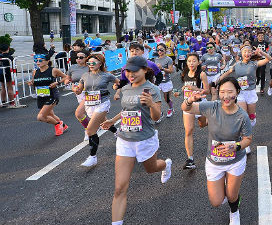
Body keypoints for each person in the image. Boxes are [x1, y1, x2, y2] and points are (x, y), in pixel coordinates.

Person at [101, 56, 172, 225]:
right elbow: (127, 110)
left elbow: (155, 117)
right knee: (119, 189)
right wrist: (113, 120)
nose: (130, 74)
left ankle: (166, 164)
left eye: (134, 71)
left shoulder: (152, 89)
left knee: (151, 168)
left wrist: (151, 104)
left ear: (145, 70)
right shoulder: (126, 89)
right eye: (128, 71)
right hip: (125, 140)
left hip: (145, 139)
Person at [181, 77, 252, 225]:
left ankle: (234, 211)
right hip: (214, 161)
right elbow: (185, 108)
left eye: (230, 92)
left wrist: (236, 146)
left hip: (235, 161)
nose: (226, 96)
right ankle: (229, 195)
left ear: (237, 92)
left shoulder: (242, 116)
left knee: (231, 196)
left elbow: (248, 139)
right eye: (222, 92)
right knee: (216, 201)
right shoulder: (212, 107)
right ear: (218, 93)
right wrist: (190, 99)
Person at [219, 45, 271, 153]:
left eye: (249, 52)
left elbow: (268, 59)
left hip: (251, 92)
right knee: (244, 116)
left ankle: (251, 121)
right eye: (244, 52)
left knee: (251, 118)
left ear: (251, 53)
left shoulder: (254, 64)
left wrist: (262, 53)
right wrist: (216, 81)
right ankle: (245, 142)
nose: (246, 54)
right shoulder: (237, 65)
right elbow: (227, 73)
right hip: (241, 93)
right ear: (241, 54)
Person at [73, 53, 120, 167]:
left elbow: (118, 83)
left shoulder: (107, 75)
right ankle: (117, 132)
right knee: (103, 121)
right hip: (90, 104)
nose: (90, 65)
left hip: (103, 103)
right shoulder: (85, 75)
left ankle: (92, 157)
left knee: (90, 130)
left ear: (100, 63)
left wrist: (116, 90)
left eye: (93, 62)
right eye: (89, 63)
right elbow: (79, 89)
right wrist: (75, 89)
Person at [175, 53, 210, 170]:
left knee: (202, 125)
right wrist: (179, 92)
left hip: (200, 104)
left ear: (198, 62)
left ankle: (209, 120)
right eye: (189, 61)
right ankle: (190, 159)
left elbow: (207, 91)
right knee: (188, 131)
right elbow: (185, 87)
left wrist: (196, 89)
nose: (191, 63)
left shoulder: (202, 74)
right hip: (188, 105)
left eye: (194, 61)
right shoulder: (184, 73)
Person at [28, 51, 68, 136]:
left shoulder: (53, 70)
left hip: (52, 95)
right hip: (41, 96)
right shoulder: (35, 72)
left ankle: (58, 125)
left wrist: (57, 83)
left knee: (41, 117)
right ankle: (63, 126)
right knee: (51, 114)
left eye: (40, 60)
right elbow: (35, 82)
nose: (38, 62)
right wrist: (31, 83)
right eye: (36, 60)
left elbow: (66, 76)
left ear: (47, 61)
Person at [64, 49, 90, 140]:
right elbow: (68, 78)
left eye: (81, 57)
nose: (78, 59)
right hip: (78, 92)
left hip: (90, 92)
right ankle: (114, 130)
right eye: (77, 57)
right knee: (93, 114)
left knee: (79, 113)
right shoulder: (72, 67)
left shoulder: (90, 66)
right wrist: (67, 81)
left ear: (87, 58)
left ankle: (88, 130)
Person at [155, 43, 175, 118]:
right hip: (157, 82)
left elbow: (171, 70)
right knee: (155, 99)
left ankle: (171, 108)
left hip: (166, 82)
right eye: (158, 50)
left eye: (161, 50)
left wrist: (162, 68)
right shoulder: (155, 59)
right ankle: (159, 113)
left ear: (165, 50)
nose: (159, 51)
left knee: (167, 99)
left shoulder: (168, 59)